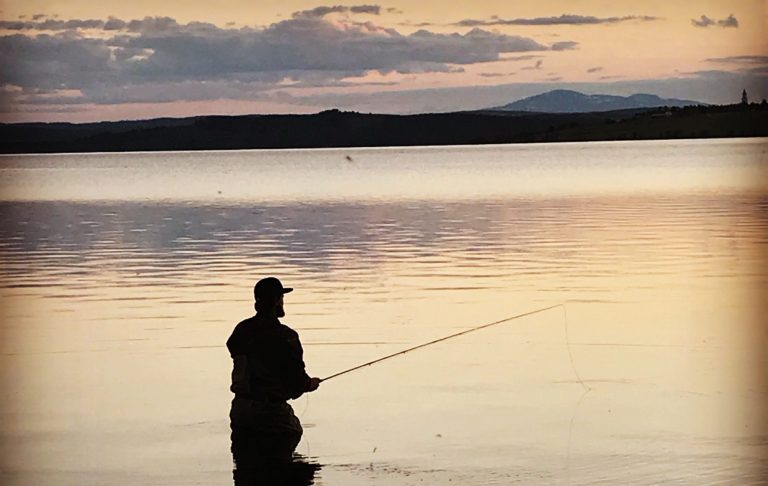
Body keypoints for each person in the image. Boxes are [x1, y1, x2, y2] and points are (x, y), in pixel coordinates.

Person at [227, 277, 321, 475]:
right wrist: (309, 384)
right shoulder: (285, 336)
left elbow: (237, 351)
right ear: (277, 301)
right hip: (271, 413)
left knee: (246, 474)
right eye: (281, 298)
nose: (283, 302)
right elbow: (296, 384)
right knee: (302, 468)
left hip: (241, 410)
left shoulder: (241, 330)